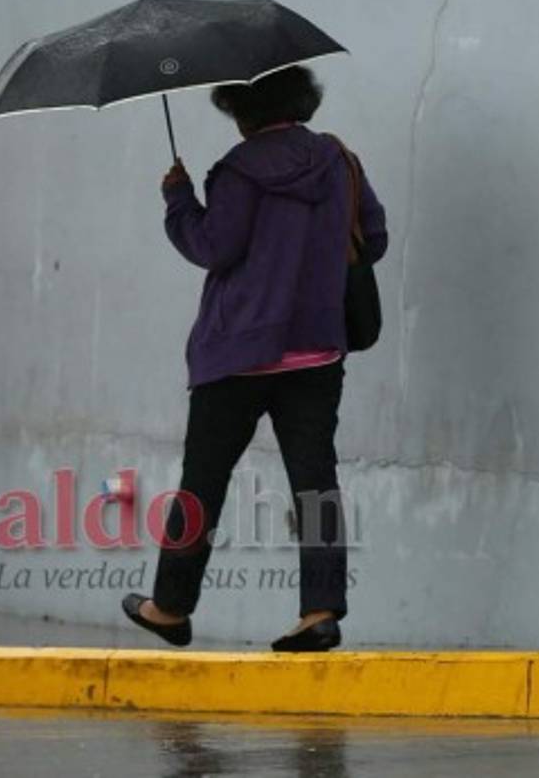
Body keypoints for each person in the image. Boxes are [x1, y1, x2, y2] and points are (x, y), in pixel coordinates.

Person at [121, 66, 388, 652]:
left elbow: (214, 247)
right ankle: (320, 612)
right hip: (316, 350)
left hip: (238, 353)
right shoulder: (338, 159)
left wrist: (178, 199)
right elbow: (374, 237)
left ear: (242, 111)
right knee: (315, 482)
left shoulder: (238, 171)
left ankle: (171, 608)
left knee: (203, 483)